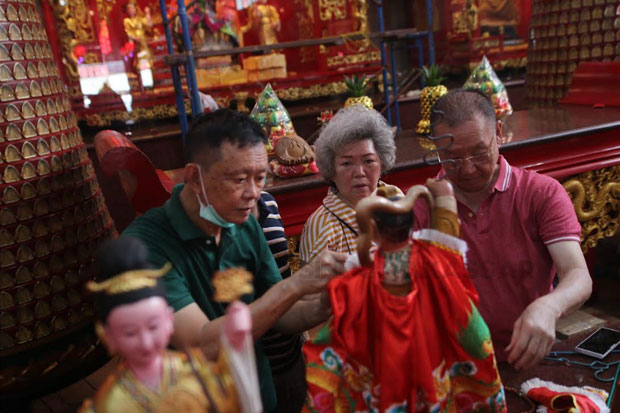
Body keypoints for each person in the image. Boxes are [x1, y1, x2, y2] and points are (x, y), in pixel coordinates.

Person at [123, 108, 347, 412]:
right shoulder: (143, 248)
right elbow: (204, 344)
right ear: (194, 178)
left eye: (260, 179)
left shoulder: (241, 223)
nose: (253, 194)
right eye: (240, 179)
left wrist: (330, 299)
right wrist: (297, 284)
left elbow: (280, 314)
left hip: (257, 397)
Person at [413, 89, 592, 370]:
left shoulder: (540, 194)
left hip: (525, 356)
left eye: (480, 153)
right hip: (451, 366)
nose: (468, 169)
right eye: (452, 158)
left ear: (498, 132)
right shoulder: (421, 205)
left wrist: (549, 307)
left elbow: (578, 275)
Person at [304, 181, 506, 411]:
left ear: (374, 231)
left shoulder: (355, 281)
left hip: (384, 374)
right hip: (435, 367)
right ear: (411, 226)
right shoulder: (438, 260)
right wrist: (443, 197)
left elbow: (334, 324)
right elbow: (449, 227)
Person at [80, 236, 254, 413]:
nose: (146, 343)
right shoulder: (108, 404)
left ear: (169, 320)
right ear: (107, 336)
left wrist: (236, 342)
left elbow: (231, 400)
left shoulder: (196, 372)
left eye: (153, 327)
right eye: (130, 333)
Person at [299, 105, 398, 264]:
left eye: (368, 161)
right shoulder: (321, 226)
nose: (359, 172)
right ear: (332, 170)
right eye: (346, 164)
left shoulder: (395, 196)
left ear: (382, 162)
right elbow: (312, 287)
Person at [255, 191, 306, 413]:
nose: (250, 190)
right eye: (239, 178)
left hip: (290, 352)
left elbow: (281, 278)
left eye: (258, 177)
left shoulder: (267, 202)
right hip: (254, 369)